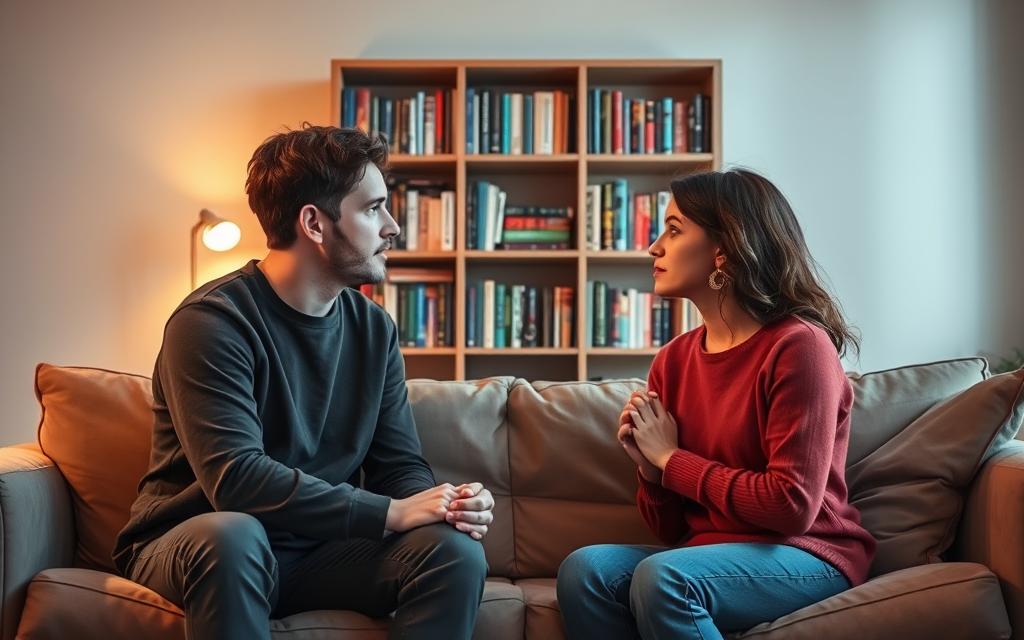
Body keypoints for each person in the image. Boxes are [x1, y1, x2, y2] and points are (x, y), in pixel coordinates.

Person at [112, 124, 492, 640]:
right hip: (199, 541)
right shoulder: (211, 322)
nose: (393, 226)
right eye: (372, 208)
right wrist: (389, 513)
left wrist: (442, 506)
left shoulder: (373, 328)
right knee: (235, 536)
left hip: (315, 554)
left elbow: (398, 465)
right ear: (314, 223)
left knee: (453, 551)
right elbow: (236, 479)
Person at [557, 168, 875, 639]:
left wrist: (670, 458)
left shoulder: (799, 346)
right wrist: (650, 472)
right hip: (707, 554)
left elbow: (791, 507)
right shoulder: (673, 360)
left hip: (807, 553)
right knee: (587, 570)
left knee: (665, 578)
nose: (654, 247)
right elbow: (671, 532)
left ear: (724, 248)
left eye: (674, 229)